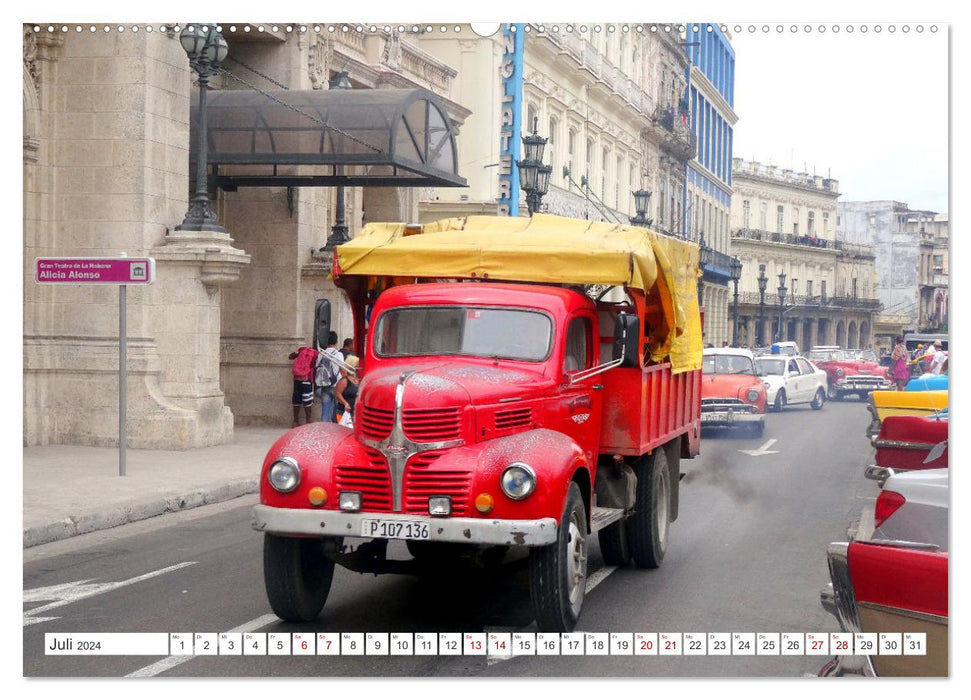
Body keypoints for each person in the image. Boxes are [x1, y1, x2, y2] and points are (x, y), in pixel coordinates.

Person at [288, 344, 319, 427]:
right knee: (307, 400)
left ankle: (295, 421)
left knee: (296, 400)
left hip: (297, 379)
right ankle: (308, 420)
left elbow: (290, 356)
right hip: (307, 379)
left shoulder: (302, 350)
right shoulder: (316, 354)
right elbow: (315, 367)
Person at [315, 331, 343, 422]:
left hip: (325, 385)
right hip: (337, 386)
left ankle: (324, 432)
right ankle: (336, 432)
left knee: (325, 412)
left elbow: (317, 366)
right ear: (336, 342)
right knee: (336, 412)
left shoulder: (321, 354)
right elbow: (342, 369)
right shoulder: (339, 354)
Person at [335, 354, 360, 426]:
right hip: (343, 411)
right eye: (356, 366)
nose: (358, 368)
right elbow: (337, 394)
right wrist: (345, 403)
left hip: (354, 412)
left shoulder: (358, 379)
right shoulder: (344, 380)